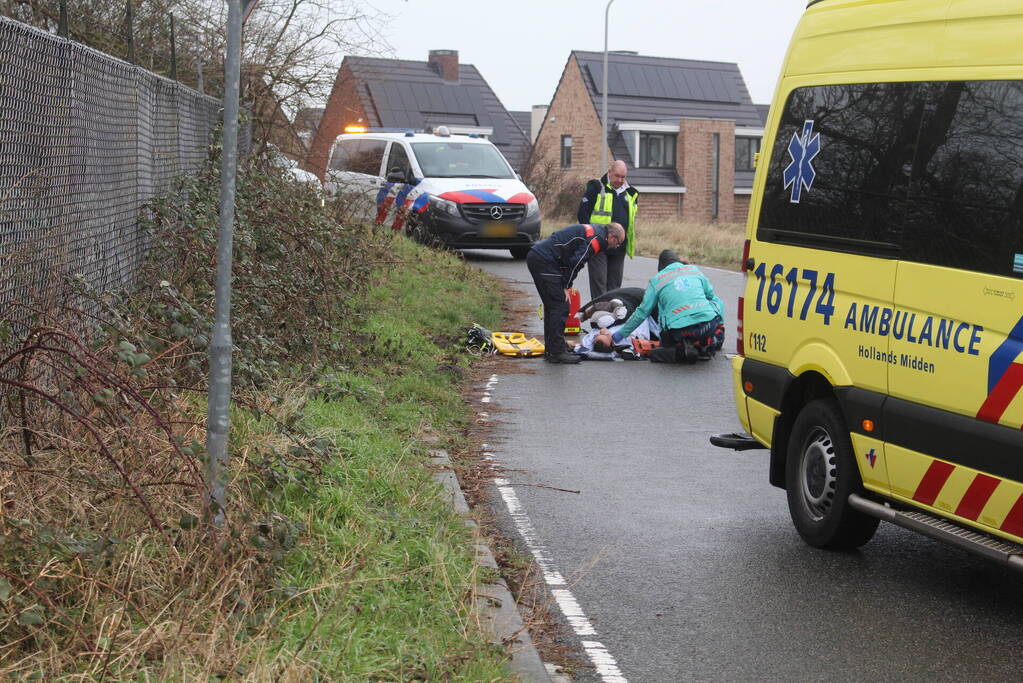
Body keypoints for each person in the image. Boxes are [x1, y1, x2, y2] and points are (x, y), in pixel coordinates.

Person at [527, 222, 626, 364]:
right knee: (560, 306)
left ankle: (553, 349)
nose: (615, 247)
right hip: (545, 260)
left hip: (541, 258)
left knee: (552, 305)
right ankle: (557, 352)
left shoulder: (596, 231)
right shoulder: (596, 240)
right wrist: (566, 286)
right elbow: (576, 262)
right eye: (617, 243)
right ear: (611, 236)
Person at [612, 249, 725, 363]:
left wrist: (619, 335)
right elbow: (711, 295)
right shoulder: (694, 270)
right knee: (717, 303)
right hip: (707, 325)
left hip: (678, 332)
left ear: (661, 267)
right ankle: (714, 339)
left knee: (658, 350)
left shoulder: (657, 280)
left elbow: (642, 312)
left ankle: (681, 349)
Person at [577, 160, 639, 298]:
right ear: (609, 172)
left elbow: (631, 223)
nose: (620, 180)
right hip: (599, 245)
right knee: (599, 285)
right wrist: (591, 238)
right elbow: (582, 214)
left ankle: (611, 318)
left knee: (615, 287)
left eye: (623, 177)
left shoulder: (631, 194)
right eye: (617, 176)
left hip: (619, 247)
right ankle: (599, 317)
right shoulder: (596, 187)